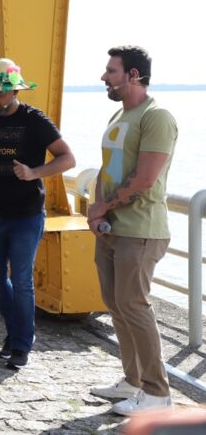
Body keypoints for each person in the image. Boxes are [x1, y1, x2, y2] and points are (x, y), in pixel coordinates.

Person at [0, 58, 75, 369]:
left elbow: (67, 158)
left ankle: (21, 344)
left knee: (21, 281)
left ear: (14, 91)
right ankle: (16, 332)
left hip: (26, 214)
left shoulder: (34, 120)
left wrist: (35, 172)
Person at [87, 46, 176, 415]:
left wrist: (104, 206)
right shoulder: (119, 114)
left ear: (133, 75)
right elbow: (107, 169)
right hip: (111, 227)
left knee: (134, 306)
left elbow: (144, 179)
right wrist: (95, 212)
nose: (104, 77)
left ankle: (158, 395)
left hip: (140, 229)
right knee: (116, 305)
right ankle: (133, 381)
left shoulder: (157, 117)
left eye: (111, 71)